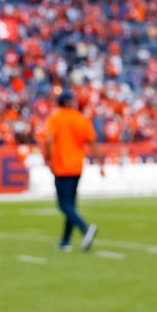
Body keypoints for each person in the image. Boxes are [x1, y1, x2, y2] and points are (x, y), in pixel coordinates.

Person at [44, 91, 104, 252]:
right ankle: (65, 241)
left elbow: (49, 140)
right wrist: (101, 163)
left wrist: (48, 159)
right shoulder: (81, 119)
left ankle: (85, 228)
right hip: (77, 165)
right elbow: (92, 142)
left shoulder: (55, 119)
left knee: (63, 204)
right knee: (70, 205)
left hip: (61, 165)